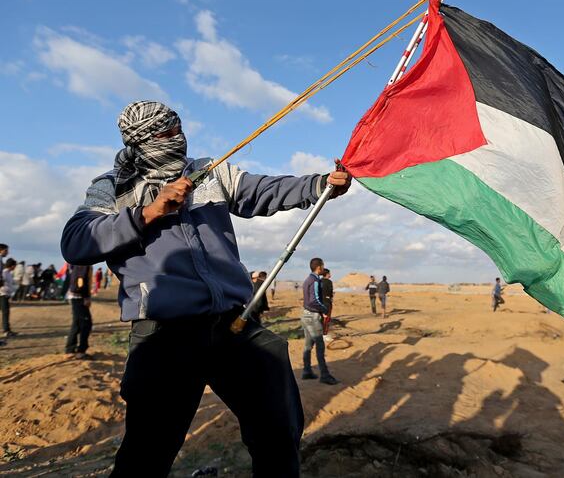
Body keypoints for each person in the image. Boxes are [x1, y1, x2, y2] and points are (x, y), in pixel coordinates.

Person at [60, 101, 351, 477]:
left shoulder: (208, 173)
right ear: (141, 140)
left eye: (178, 128)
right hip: (164, 334)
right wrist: (150, 211)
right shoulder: (112, 186)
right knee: (147, 454)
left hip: (234, 324)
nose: (177, 138)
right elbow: (76, 240)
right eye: (165, 134)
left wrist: (318, 185)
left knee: (278, 433)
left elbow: (264, 190)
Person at [301, 258, 337, 384]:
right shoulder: (315, 280)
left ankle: (306, 371)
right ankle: (325, 375)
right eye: (323, 266)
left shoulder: (307, 280)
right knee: (320, 346)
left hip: (305, 314)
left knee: (308, 345)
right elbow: (314, 300)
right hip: (312, 316)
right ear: (319, 267)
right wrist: (324, 310)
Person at [65, 264, 93, 358]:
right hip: (79, 297)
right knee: (86, 324)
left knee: (77, 323)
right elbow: (80, 280)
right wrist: (86, 297)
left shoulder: (78, 261)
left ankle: (70, 349)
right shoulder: (84, 263)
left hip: (76, 296)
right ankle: (81, 351)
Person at [1, 258, 18, 337]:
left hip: (6, 294)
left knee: (6, 312)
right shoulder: (4, 273)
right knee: (5, 312)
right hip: (2, 294)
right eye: (15, 266)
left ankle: (7, 329)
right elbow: (3, 285)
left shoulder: (9, 273)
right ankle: (6, 330)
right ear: (12, 266)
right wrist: (9, 290)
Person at [320, 268, 334, 340]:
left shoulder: (319, 281)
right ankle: (324, 335)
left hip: (319, 302)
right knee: (327, 318)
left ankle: (319, 334)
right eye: (329, 273)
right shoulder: (329, 282)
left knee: (321, 318)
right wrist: (331, 297)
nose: (330, 275)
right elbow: (331, 292)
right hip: (327, 302)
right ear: (326, 274)